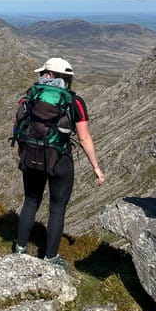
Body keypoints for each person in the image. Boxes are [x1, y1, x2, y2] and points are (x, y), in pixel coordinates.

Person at [12, 57, 104, 269]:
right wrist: (96, 168)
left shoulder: (30, 95)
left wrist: (22, 152)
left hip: (32, 155)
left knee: (30, 201)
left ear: (50, 75)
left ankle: (20, 250)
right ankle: (50, 257)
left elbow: (18, 125)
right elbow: (84, 138)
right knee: (57, 209)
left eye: (43, 72)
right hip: (60, 159)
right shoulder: (75, 101)